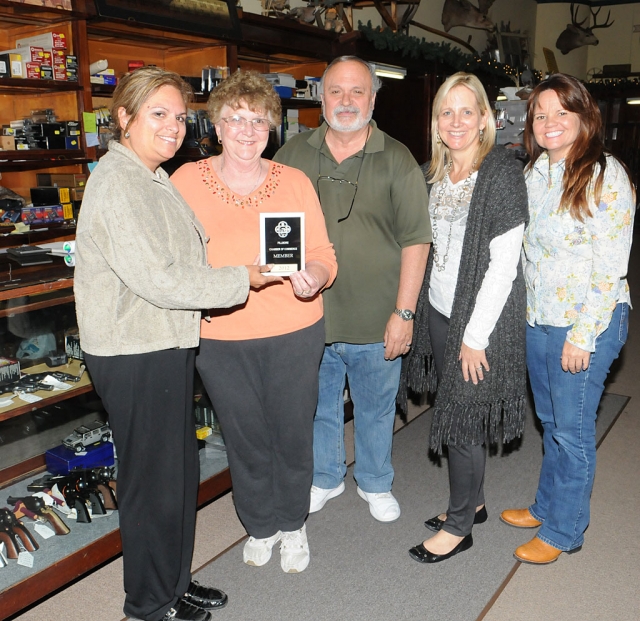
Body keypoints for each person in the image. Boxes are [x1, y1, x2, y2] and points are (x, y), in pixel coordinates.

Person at [74, 67, 278, 621]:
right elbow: (159, 279)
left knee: (176, 472)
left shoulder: (151, 175)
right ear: (124, 118)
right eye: (158, 114)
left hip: (160, 340)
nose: (173, 126)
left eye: (180, 116)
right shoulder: (118, 182)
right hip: (133, 349)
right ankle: (148, 601)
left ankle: (173, 581)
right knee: (151, 481)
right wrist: (244, 278)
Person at [171, 70, 337, 574]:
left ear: (273, 128)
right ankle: (259, 523)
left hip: (293, 330)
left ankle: (293, 523)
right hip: (220, 336)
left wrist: (315, 274)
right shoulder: (184, 182)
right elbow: (174, 263)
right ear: (216, 127)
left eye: (259, 121)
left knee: (291, 432)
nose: (247, 130)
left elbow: (323, 253)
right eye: (235, 119)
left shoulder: (294, 182)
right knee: (244, 436)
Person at [274, 56, 431, 523]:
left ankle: (375, 482)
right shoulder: (292, 155)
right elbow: (270, 228)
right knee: (319, 409)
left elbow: (416, 242)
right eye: (336, 91)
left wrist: (403, 314)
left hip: (376, 318)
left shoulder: (398, 158)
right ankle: (325, 478)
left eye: (357, 91)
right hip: (308, 317)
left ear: (373, 98)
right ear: (321, 97)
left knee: (375, 409)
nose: (346, 101)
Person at [500, 73, 635, 564]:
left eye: (562, 112)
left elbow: (611, 265)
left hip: (587, 323)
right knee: (551, 421)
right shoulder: (535, 173)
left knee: (572, 432)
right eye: (540, 114)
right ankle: (545, 506)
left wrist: (583, 335)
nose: (550, 123)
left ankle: (564, 531)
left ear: (584, 116)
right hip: (540, 318)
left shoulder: (604, 174)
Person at [401, 72, 529, 564]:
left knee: (461, 416)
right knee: (458, 410)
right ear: (436, 122)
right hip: (438, 309)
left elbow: (503, 266)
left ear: (485, 120)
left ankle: (459, 527)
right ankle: (472, 503)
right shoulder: (430, 173)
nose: (456, 121)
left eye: (466, 111)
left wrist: (474, 337)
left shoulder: (501, 173)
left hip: (482, 322)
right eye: (445, 112)